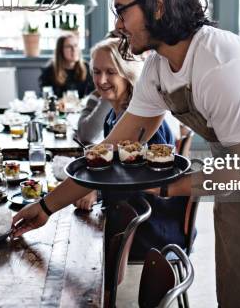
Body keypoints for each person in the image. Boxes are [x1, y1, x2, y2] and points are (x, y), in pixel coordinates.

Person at [13, 0, 240, 307]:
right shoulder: (159, 68)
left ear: (157, 4)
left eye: (122, 10)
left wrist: (168, 186)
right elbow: (112, 146)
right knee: (238, 288)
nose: (117, 25)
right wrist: (47, 206)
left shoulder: (220, 65)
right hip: (235, 170)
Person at [73, 37, 187, 258]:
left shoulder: (144, 122)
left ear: (127, 73)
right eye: (96, 72)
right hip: (129, 212)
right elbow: (114, 170)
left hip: (149, 226)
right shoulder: (112, 115)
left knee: (80, 249)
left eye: (110, 72)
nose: (102, 80)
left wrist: (95, 190)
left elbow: (143, 183)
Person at [39, 34, 94, 98]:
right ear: (60, 50)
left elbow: (92, 95)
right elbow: (45, 96)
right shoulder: (49, 71)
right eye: (69, 46)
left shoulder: (87, 68)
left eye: (76, 46)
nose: (74, 49)